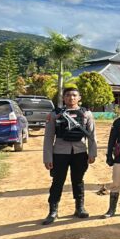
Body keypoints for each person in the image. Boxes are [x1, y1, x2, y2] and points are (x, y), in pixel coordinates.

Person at [41, 87, 98, 225]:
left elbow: (92, 136)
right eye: (68, 95)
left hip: (79, 152)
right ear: (64, 98)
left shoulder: (87, 114)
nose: (71, 98)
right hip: (59, 153)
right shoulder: (55, 114)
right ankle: (53, 211)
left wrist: (92, 153)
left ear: (79, 98)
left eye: (74, 95)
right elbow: (48, 137)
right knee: (57, 182)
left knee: (78, 180)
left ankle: (80, 208)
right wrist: (47, 158)